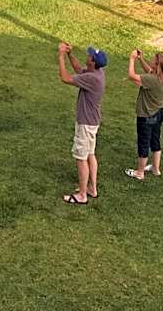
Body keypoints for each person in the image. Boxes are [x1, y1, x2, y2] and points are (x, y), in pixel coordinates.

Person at [56, 42, 106, 204]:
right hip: (92, 122)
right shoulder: (97, 72)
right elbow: (79, 70)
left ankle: (82, 195)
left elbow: (65, 78)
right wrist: (71, 55)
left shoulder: (92, 78)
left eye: (89, 55)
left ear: (92, 62)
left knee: (81, 157)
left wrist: (61, 55)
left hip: (85, 123)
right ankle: (92, 188)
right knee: (90, 154)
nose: (87, 56)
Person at [124, 49, 163, 180]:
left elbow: (132, 75)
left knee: (143, 143)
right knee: (155, 141)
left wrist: (132, 59)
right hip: (158, 113)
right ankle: (155, 169)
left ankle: (140, 173)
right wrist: (141, 59)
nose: (151, 62)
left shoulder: (152, 79)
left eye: (153, 61)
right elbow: (148, 70)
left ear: (157, 65)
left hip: (147, 116)